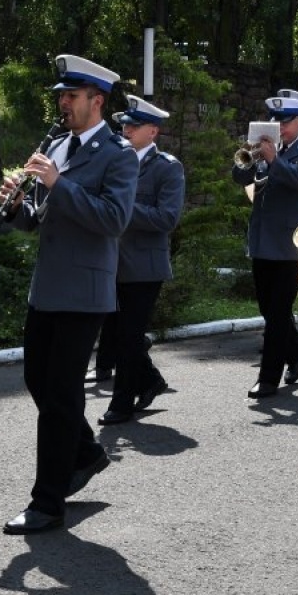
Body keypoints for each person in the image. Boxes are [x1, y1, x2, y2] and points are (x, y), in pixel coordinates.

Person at [0, 56, 137, 535]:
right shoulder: (57, 144)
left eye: (71, 96)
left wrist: (60, 183)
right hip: (49, 286)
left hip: (85, 290)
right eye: (61, 95)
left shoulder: (117, 154)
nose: (63, 103)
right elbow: (36, 219)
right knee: (40, 382)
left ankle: (47, 501)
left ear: (97, 101)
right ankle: (86, 451)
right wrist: (16, 204)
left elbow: (114, 219)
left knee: (59, 395)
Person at [94, 96, 184, 425]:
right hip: (111, 260)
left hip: (145, 266)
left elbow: (167, 218)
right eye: (125, 124)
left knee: (129, 335)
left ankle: (121, 403)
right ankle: (150, 380)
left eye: (134, 125)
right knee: (119, 334)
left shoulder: (167, 167)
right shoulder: (115, 160)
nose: (126, 129)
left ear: (153, 131)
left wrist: (121, 207)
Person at [233, 89, 298, 398]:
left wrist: (275, 160)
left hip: (289, 243)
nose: (279, 125)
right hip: (261, 239)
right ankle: (296, 352)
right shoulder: (267, 147)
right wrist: (249, 156)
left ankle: (268, 378)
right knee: (271, 311)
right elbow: (239, 179)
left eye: (285, 120)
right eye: (275, 119)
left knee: (278, 311)